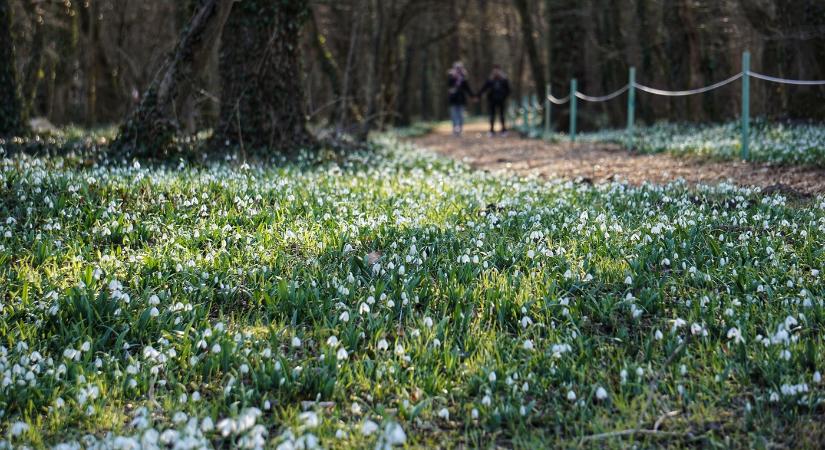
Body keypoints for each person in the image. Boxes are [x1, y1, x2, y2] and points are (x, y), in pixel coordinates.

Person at [477, 65, 511, 136]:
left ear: (500, 71)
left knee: (502, 115)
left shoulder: (504, 80)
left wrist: (504, 96)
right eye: (495, 70)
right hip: (492, 100)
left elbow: (508, 90)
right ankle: (491, 130)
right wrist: (477, 96)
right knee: (492, 115)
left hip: (501, 100)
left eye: (497, 70)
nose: (496, 72)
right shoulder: (490, 80)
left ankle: (503, 130)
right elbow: (483, 89)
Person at [447, 62, 474, 136]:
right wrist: (452, 76)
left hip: (461, 99)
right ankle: (455, 129)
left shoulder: (463, 79)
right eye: (457, 68)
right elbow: (448, 86)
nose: (458, 70)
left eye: (459, 69)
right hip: (453, 100)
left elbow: (467, 89)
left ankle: (460, 129)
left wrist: (473, 96)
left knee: (460, 115)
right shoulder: (451, 78)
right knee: (454, 115)